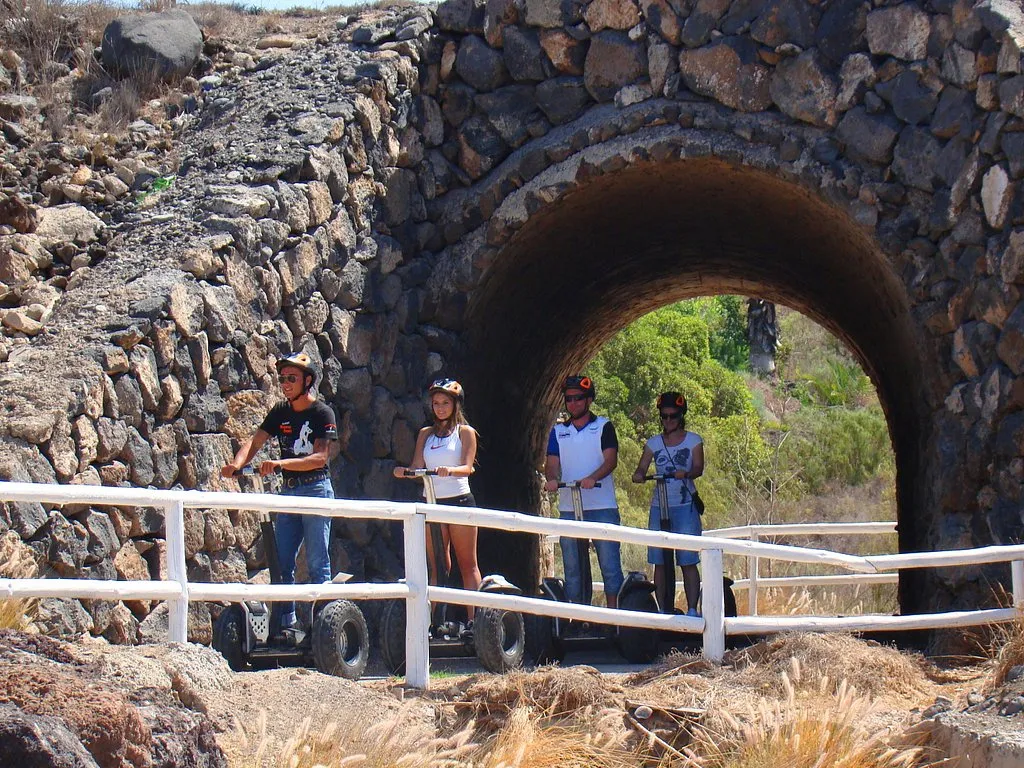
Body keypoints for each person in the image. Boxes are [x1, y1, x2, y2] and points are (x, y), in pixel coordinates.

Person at [221, 352, 338, 631]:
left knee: (316, 562)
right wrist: (236, 465)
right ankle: (287, 623)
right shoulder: (280, 412)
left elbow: (321, 457)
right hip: (289, 491)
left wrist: (281, 463)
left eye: (291, 378)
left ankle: (324, 629)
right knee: (282, 562)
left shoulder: (322, 413)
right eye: (282, 378)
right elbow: (256, 440)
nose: (285, 383)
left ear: (307, 381)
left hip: (316, 489)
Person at [392, 378, 482, 620]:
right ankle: (433, 621)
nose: (440, 408)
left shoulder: (466, 433)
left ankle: (476, 622)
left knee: (467, 564)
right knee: (438, 566)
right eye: (436, 403)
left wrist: (450, 470)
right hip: (432, 503)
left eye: (445, 403)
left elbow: (467, 467)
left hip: (460, 501)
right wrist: (404, 471)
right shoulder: (425, 434)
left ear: (455, 405)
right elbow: (417, 466)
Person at [543, 375, 625, 608]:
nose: (573, 403)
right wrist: (551, 479)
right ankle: (577, 619)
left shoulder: (603, 427)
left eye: (579, 398)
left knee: (609, 565)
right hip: (570, 507)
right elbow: (552, 463)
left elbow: (610, 461)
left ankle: (615, 619)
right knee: (572, 567)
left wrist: (593, 478)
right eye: (569, 399)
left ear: (589, 400)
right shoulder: (558, 432)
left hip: (602, 506)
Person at [631, 391, 705, 616]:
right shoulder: (653, 443)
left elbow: (698, 468)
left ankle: (692, 609)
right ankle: (663, 609)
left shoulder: (693, 440)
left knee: (687, 559)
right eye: (664, 416)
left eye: (673, 416)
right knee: (660, 560)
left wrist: (687, 473)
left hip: (685, 507)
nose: (668, 420)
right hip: (660, 506)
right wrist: (640, 475)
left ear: (681, 416)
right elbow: (641, 468)